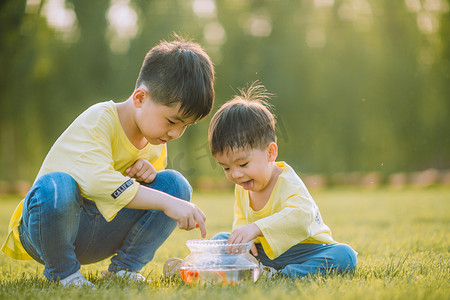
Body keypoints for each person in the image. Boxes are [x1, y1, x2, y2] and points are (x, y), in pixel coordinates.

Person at [1, 36, 215, 287]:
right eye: (172, 121)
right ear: (139, 98)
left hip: (99, 231)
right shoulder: (99, 119)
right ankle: (64, 273)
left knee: (176, 186)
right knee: (55, 186)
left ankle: (125, 268)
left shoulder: (155, 141)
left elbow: (147, 197)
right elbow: (98, 182)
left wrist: (150, 178)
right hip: (49, 229)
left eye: (185, 126)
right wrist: (169, 204)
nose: (175, 134)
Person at [205, 82, 357, 279]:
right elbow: (241, 217)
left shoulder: (287, 183)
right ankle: (214, 268)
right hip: (262, 254)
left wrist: (257, 228)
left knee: (344, 255)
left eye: (242, 164)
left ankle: (284, 274)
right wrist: (243, 237)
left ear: (270, 153)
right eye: (226, 167)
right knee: (220, 241)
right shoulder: (243, 185)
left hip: (304, 251)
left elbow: (300, 218)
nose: (235, 174)